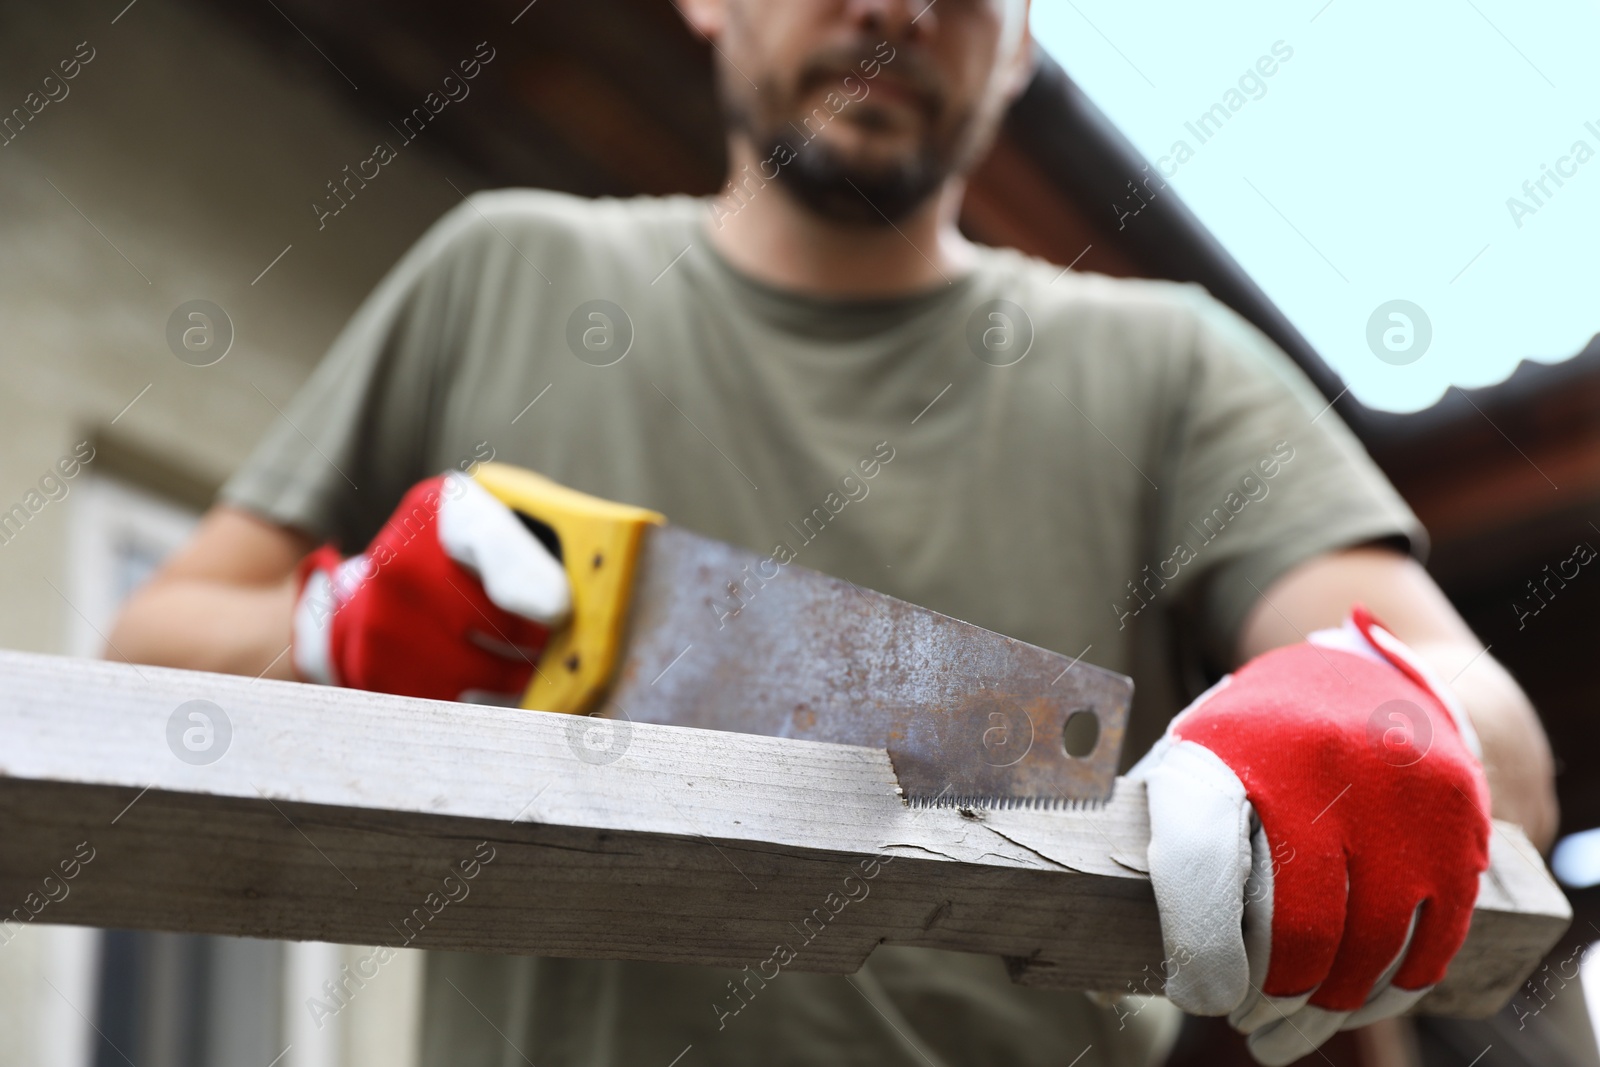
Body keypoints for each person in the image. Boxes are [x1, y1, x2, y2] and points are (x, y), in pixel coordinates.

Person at [109, 0, 1558, 1064]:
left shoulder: (1174, 366)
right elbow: (144, 664)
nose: (894, 9)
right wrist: (338, 628)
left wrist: (1387, 716)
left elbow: (1486, 736)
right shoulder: (502, 269)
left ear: (1024, 42)